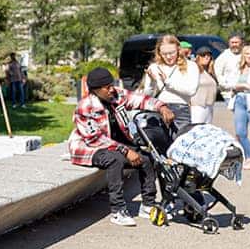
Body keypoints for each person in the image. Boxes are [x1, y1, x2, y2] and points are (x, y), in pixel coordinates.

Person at [68, 67, 175, 227]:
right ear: (96, 90)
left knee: (146, 158)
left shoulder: (116, 95)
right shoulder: (85, 107)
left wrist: (161, 107)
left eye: (112, 84)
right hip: (89, 148)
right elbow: (94, 138)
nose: (112, 89)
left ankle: (148, 205)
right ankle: (118, 210)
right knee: (115, 160)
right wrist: (126, 151)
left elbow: (142, 100)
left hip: (115, 144)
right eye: (107, 87)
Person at [141, 34, 199, 134]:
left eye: (171, 53)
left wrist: (168, 82)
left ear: (178, 49)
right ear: (159, 52)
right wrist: (152, 82)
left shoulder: (191, 66)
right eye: (164, 54)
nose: (168, 57)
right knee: (160, 147)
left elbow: (191, 90)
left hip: (181, 110)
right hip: (159, 109)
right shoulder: (154, 67)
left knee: (181, 144)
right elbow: (148, 95)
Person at [190, 46, 220, 125]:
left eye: (209, 55)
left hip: (209, 106)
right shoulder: (194, 69)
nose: (206, 57)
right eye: (203, 55)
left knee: (207, 131)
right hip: (197, 106)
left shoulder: (211, 72)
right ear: (198, 57)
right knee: (197, 129)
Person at [215, 33, 243, 105]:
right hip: (229, 94)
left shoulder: (246, 54)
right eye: (232, 43)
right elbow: (218, 75)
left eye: (236, 42)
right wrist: (231, 86)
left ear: (241, 43)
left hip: (246, 93)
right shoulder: (223, 57)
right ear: (229, 43)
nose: (234, 45)